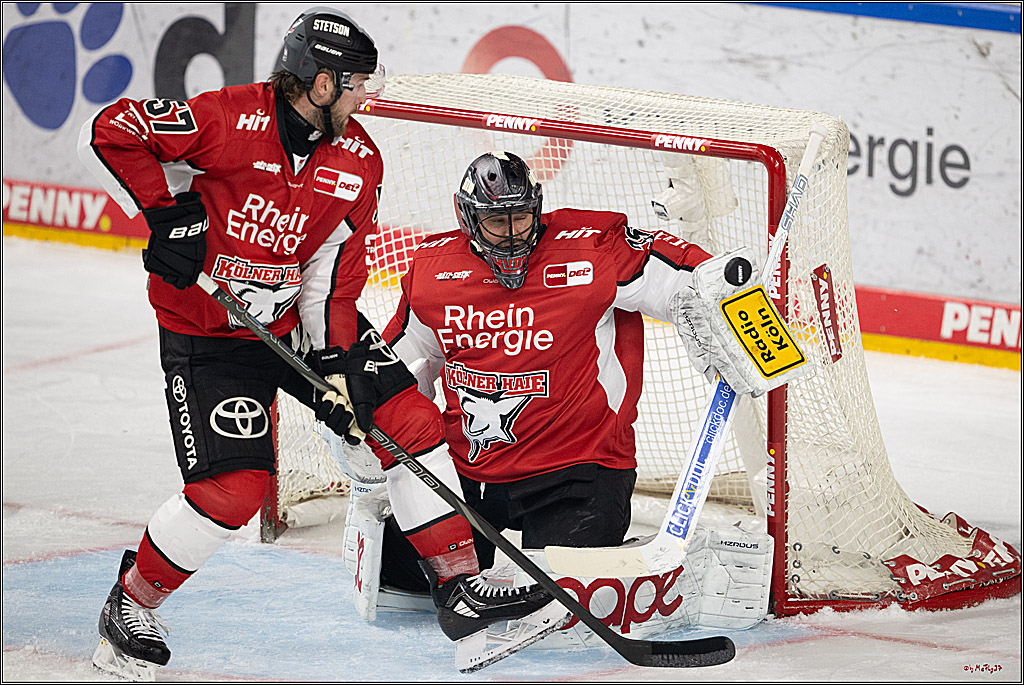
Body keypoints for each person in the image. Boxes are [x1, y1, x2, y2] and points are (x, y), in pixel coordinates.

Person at [77, 10, 554, 679]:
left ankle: (459, 586)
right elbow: (110, 130)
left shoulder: (359, 158)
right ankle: (130, 604)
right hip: (209, 332)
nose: (367, 97)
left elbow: (333, 266)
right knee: (234, 489)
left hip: (297, 321)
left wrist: (335, 364)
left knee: (408, 419)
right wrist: (165, 214)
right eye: (358, 83)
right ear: (321, 83)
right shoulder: (225, 118)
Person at [376, 150, 787, 580]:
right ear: (468, 220)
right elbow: (393, 362)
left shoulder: (590, 248)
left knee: (560, 588)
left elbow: (684, 276)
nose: (514, 235)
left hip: (577, 470)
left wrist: (738, 309)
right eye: (497, 222)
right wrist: (367, 411)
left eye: (522, 218)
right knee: (406, 574)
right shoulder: (434, 273)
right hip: (471, 473)